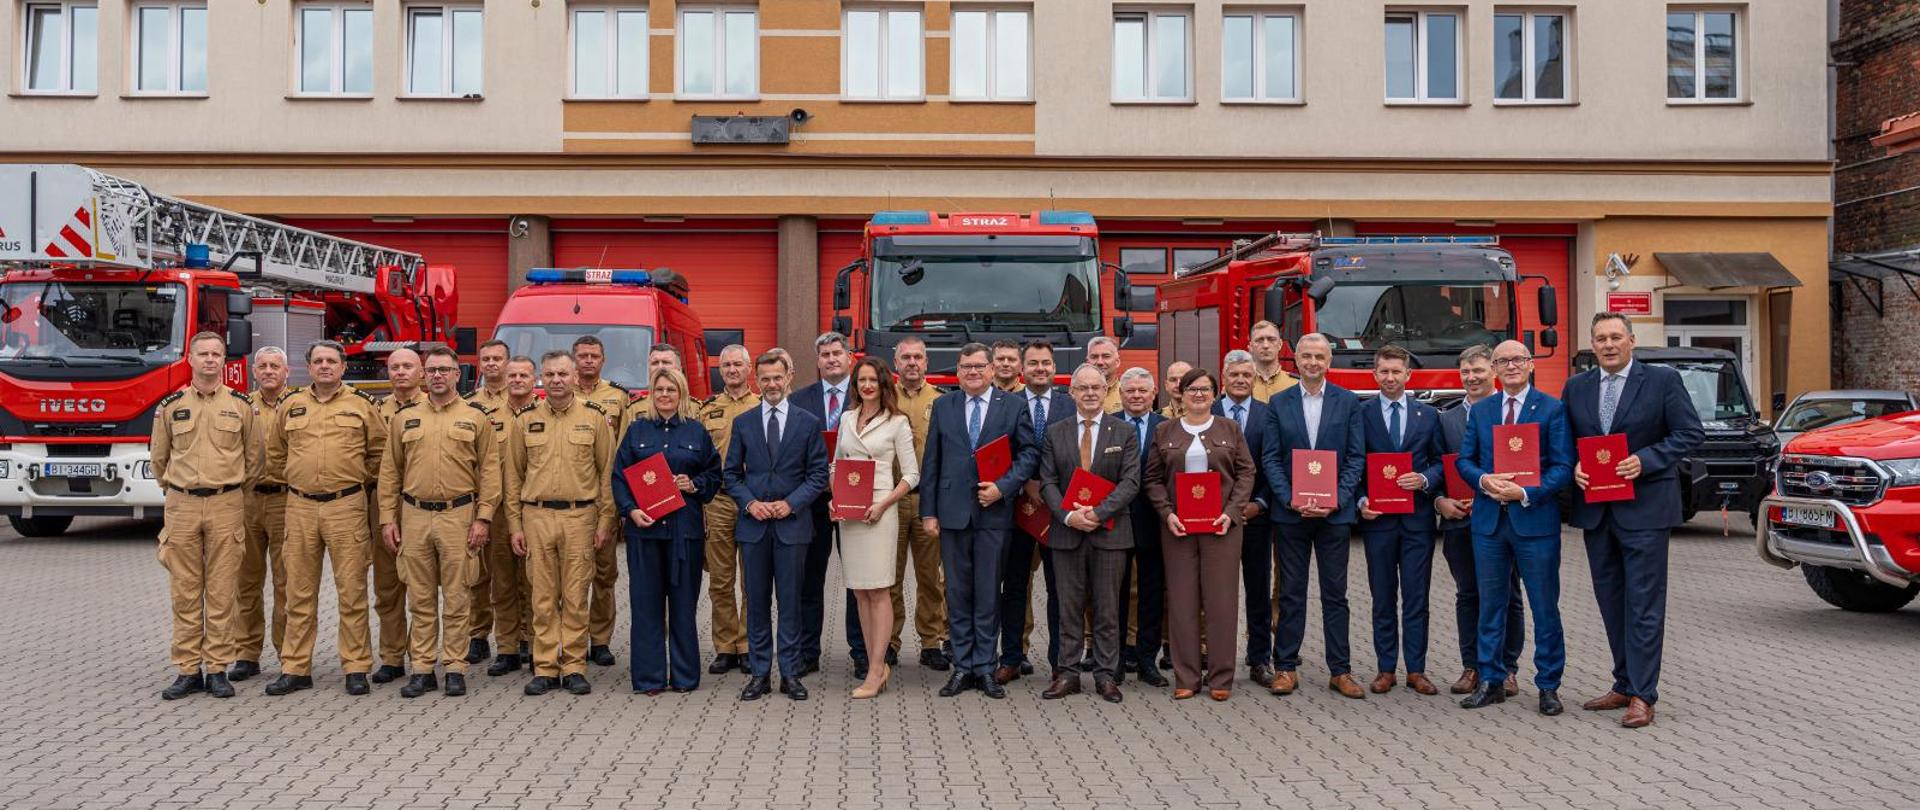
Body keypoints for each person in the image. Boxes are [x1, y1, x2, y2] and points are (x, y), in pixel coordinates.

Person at [1564, 313, 1703, 729]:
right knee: (1611, 602)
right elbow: (1566, 440)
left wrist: (1645, 460)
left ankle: (1644, 694)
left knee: (1643, 604)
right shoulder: (1576, 387)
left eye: (1615, 337)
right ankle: (1623, 681)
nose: (1608, 344)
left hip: (1645, 509)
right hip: (1597, 510)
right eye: (1600, 338)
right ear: (1592, 343)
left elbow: (1689, 433)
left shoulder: (1661, 381)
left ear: (1631, 341)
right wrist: (1573, 466)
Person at [1456, 340, 1574, 716]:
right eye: (1502, 361)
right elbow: (1465, 460)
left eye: (1517, 360)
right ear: (1493, 368)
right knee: (1491, 606)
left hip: (1534, 521)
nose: (1510, 366)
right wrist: (1484, 481)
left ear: (1530, 365)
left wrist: (1526, 490)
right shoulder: (1482, 409)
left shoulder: (1552, 409)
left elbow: (1562, 466)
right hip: (1490, 523)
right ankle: (1491, 680)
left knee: (1544, 607)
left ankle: (1548, 686)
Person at [376, 346, 502, 699]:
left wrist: (484, 518)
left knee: (459, 596)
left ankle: (455, 666)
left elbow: (490, 473)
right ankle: (422, 668)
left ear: (457, 374)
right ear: (422, 375)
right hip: (414, 516)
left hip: (458, 516)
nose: (437, 376)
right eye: (431, 370)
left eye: (444, 370)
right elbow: (390, 473)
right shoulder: (405, 418)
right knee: (420, 597)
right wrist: (388, 518)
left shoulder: (476, 418)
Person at [264, 340, 385, 697]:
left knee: (352, 590)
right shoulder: (292, 405)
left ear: (344, 367)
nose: (325, 366)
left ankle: (356, 666)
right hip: (299, 507)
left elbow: (379, 453)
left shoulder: (362, 406)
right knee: (297, 592)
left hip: (345, 506)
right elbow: (274, 454)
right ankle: (295, 667)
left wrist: (351, 478)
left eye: (332, 361)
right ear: (308, 367)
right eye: (318, 361)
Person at [921, 342, 1041, 699]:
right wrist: (929, 511)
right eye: (965, 367)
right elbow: (932, 461)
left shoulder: (1014, 406)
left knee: (988, 593)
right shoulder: (944, 405)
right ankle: (962, 667)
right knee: (958, 593)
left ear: (992, 370)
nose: (972, 373)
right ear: (957, 372)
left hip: (994, 513)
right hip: (953, 513)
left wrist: (1003, 488)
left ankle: (986, 667)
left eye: (978, 366)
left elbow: (1029, 453)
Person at [1260, 333, 1367, 699]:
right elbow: (1271, 458)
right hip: (1292, 516)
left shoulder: (1348, 402)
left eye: (1320, 357)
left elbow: (1356, 458)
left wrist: (1337, 498)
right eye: (1306, 356)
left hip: (1333, 516)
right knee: (1291, 593)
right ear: (1296, 359)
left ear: (1329, 362)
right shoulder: (1279, 402)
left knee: (1336, 594)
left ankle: (1341, 670)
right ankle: (1286, 667)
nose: (1313, 363)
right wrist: (1290, 498)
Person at [151, 331, 257, 700]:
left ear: (224, 361)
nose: (210, 360)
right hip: (181, 505)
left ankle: (217, 669)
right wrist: (179, 490)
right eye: (203, 354)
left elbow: (253, 458)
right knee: (185, 590)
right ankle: (186, 669)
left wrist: (228, 490)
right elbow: (159, 460)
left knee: (223, 589)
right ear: (190, 359)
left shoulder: (241, 406)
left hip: (226, 503)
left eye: (216, 354)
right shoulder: (170, 405)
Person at [506, 351, 616, 697]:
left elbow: (606, 474)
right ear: (542, 377)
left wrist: (605, 522)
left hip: (579, 516)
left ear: (573, 377)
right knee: (541, 596)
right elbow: (513, 476)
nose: (556, 380)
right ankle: (545, 667)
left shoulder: (594, 417)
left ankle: (574, 666)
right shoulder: (524, 419)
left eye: (562, 374)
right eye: (550, 374)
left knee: (575, 595)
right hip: (536, 516)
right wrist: (515, 526)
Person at [724, 351, 830, 702]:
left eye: (777, 377)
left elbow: (818, 474)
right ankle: (759, 673)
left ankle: (789, 672)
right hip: (754, 527)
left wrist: (791, 503)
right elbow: (730, 474)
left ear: (789, 378)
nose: (771, 384)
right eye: (765, 378)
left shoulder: (808, 422)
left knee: (791, 602)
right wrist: (750, 503)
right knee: (756, 603)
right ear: (757, 380)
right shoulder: (744, 422)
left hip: (793, 526)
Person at [1145, 368, 1256, 700]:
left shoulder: (1229, 429)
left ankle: (1221, 678)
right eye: (1191, 389)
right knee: (1181, 602)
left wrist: (1231, 513)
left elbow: (1246, 472)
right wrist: (1167, 514)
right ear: (1180, 393)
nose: (1198, 394)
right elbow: (1151, 479)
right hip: (1178, 528)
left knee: (1221, 602)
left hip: (1221, 528)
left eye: (1205, 389)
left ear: (1214, 393)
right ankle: (1187, 676)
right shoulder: (1165, 430)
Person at [614, 366, 723, 695]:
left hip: (683, 532)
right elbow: (619, 477)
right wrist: (630, 511)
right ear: (651, 393)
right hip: (644, 532)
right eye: (659, 390)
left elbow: (714, 474)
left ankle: (685, 677)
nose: (665, 395)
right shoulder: (636, 431)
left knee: (683, 604)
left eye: (671, 390)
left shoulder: (696, 432)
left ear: (681, 393)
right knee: (646, 606)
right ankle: (649, 678)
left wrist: (694, 483)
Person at [1037, 364, 1141, 703]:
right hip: (1067, 533)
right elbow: (1048, 482)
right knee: (1068, 606)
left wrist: (1097, 513)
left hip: (1110, 534)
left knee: (1108, 608)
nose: (1090, 393)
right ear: (1072, 393)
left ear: (1106, 389)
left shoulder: (1123, 432)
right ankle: (1067, 674)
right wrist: (1068, 516)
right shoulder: (1056, 432)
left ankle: (1106, 676)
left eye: (1096, 387)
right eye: (1083, 388)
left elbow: (1130, 482)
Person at [1436, 345, 1526, 697]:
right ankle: (1472, 665)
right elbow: (1436, 465)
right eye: (1465, 372)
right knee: (1468, 593)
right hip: (1460, 521)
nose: (1472, 378)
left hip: (1507, 518)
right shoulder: (1446, 419)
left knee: (1508, 593)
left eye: (1478, 370)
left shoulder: (1513, 416)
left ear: (1494, 371)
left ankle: (1507, 668)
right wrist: (1438, 500)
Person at [1355, 344, 1445, 696]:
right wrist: (1361, 499)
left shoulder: (1428, 416)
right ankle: (1385, 668)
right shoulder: (1361, 415)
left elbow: (1439, 462)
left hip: (1416, 521)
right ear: (1375, 375)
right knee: (1382, 596)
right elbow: (1355, 462)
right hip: (1378, 522)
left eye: (1397, 372)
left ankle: (1417, 669)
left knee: (1416, 596)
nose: (1390, 377)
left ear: (1408, 376)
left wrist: (1424, 480)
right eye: (1384, 371)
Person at [831, 357, 920, 699]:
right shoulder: (847, 418)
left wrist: (883, 504)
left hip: (880, 511)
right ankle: (874, 664)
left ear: (884, 385)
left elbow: (911, 475)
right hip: (850, 512)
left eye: (873, 380)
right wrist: (833, 498)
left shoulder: (897, 422)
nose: (867, 386)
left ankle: (876, 668)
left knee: (879, 590)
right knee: (859, 591)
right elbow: (837, 463)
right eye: (862, 380)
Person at [996, 341, 1072, 686]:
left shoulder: (1069, 404)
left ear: (1054, 367)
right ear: (1022, 369)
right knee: (1013, 586)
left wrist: (1049, 490)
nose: (1040, 368)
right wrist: (1025, 483)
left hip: (1057, 511)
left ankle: (1060, 662)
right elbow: (1001, 453)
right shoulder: (1006, 405)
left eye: (1046, 363)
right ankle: (1011, 657)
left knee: (1060, 589)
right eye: (1034, 363)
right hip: (1017, 509)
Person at [230, 345, 293, 684]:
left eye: (275, 366)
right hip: (247, 501)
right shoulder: (240, 407)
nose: (269, 371)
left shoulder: (298, 405)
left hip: (285, 502)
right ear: (254, 373)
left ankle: (289, 656)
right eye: (263, 366)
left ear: (287, 372)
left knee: (288, 583)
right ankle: (246, 653)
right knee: (246, 581)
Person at [1213, 350, 1277, 688]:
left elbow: (1274, 464)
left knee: (1257, 589)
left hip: (1255, 517)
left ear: (1255, 378)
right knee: (1216, 592)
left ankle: (1259, 658)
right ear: (1223, 376)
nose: (1240, 380)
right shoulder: (1206, 412)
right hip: (1213, 520)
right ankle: (1213, 657)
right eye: (1234, 374)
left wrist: (1262, 503)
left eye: (1246, 375)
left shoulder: (1270, 415)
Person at [789, 332, 852, 677]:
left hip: (856, 504)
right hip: (813, 502)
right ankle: (807, 652)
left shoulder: (866, 394)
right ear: (818, 362)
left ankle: (861, 652)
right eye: (825, 355)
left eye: (836, 353)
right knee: (809, 580)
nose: (831, 359)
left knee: (858, 580)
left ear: (849, 358)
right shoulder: (799, 400)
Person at [697, 344, 760, 675]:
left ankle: (748, 644)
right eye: (727, 365)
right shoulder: (707, 411)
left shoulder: (762, 406)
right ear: (719, 371)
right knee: (721, 580)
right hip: (719, 501)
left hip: (752, 502)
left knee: (752, 579)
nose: (733, 370)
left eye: (738, 364)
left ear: (749, 368)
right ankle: (724, 647)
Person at [890, 337, 949, 671]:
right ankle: (890, 642)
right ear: (896, 363)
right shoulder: (884, 398)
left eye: (918, 357)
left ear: (926, 363)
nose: (912, 363)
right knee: (891, 577)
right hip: (893, 501)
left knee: (930, 578)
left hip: (927, 501)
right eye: (905, 357)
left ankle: (931, 642)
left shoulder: (941, 402)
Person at [572, 335, 631, 669]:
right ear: (574, 359)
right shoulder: (563, 394)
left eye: (594, 355)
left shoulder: (617, 398)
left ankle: (601, 640)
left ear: (603, 359)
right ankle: (575, 638)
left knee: (604, 575)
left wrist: (619, 506)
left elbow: (623, 453)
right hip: (573, 497)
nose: (588, 361)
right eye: (582, 356)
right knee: (572, 576)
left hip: (605, 498)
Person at [482, 355, 540, 676]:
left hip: (534, 510)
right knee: (502, 583)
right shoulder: (487, 416)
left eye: (524, 375)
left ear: (535, 380)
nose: (517, 379)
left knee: (534, 583)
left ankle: (534, 645)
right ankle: (506, 648)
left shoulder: (544, 414)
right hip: (500, 510)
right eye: (512, 375)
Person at [368, 347, 422, 685]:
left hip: (421, 504)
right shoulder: (374, 411)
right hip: (383, 503)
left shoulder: (434, 408)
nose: (400, 372)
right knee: (387, 586)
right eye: (394, 367)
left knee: (420, 586)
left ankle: (421, 655)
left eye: (407, 366)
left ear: (421, 372)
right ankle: (391, 657)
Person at [1114, 367, 1169, 688]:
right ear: (1120, 394)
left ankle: (1147, 660)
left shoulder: (1167, 427)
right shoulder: (1109, 425)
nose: (1136, 396)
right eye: (1130, 391)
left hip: (1154, 522)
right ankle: (1117, 659)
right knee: (1114, 594)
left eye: (1142, 391)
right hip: (1116, 521)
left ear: (1153, 395)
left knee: (1151, 594)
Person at [461, 339, 513, 667]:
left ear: (508, 363)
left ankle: (518, 637)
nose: (492, 364)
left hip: (510, 503)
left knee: (509, 573)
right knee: (476, 573)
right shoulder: (468, 405)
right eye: (487, 359)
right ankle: (478, 634)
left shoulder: (524, 401)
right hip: (475, 501)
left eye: (498, 358)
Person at [1247, 320, 1299, 402]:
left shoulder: (1297, 384)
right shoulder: (1239, 385)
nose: (1265, 345)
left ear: (1280, 344)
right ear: (1250, 347)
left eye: (1271, 339)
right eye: (1259, 340)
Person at [1086, 336, 1123, 413]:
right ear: (1087, 362)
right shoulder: (1077, 395)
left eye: (1106, 356)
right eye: (1094, 357)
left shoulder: (1128, 394)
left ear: (1117, 362)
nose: (1100, 362)